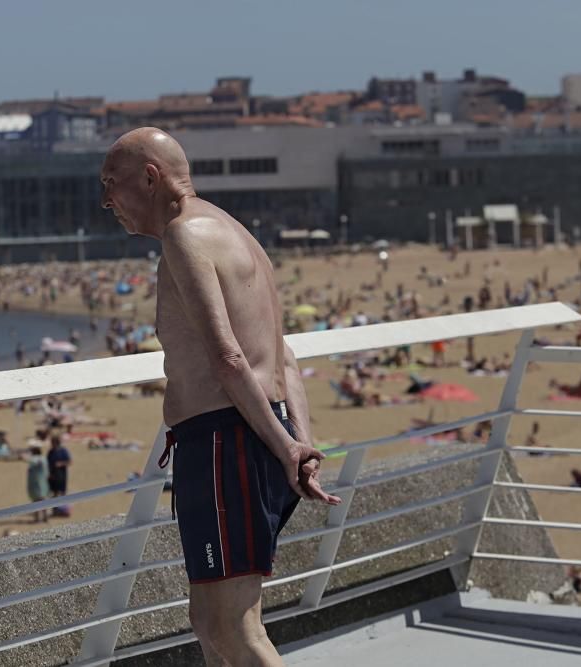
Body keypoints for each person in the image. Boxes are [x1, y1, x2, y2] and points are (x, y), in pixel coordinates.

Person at [101, 127, 339, 666]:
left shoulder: (186, 236)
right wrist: (297, 440)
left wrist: (288, 449)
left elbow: (228, 358)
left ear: (151, 177)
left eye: (111, 183)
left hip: (224, 442)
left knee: (234, 628)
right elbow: (284, 355)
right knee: (210, 621)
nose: (105, 200)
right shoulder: (236, 232)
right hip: (246, 436)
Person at [25, 446, 49, 523]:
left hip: (37, 483)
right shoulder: (43, 458)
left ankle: (38, 518)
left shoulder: (37, 459)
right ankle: (44, 517)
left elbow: (35, 462)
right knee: (42, 500)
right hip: (41, 482)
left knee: (37, 501)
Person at [46, 433, 72, 503]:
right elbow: (47, 463)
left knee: (62, 492)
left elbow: (69, 462)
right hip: (52, 476)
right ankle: (55, 509)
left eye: (53, 442)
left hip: (61, 475)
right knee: (54, 493)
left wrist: (61, 464)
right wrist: (48, 474)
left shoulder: (63, 451)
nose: (51, 444)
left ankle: (63, 508)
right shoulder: (50, 452)